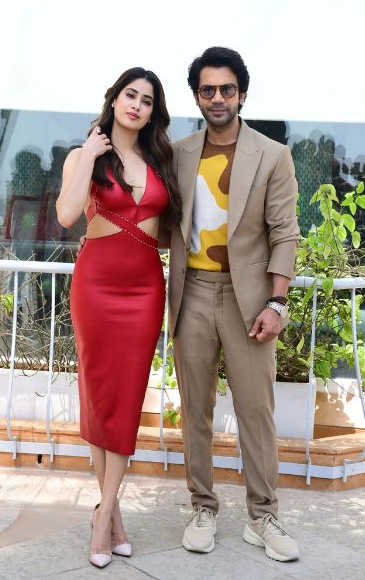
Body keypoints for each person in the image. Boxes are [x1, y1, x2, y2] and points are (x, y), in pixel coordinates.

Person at [166, 46, 301, 562]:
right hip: (192, 294)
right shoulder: (178, 153)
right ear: (197, 96)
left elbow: (285, 233)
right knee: (195, 411)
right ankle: (202, 507)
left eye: (226, 88)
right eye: (208, 89)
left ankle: (263, 516)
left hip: (249, 300)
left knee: (256, 412)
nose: (217, 97)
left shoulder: (272, 155)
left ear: (242, 94)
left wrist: (277, 302)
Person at [56, 67, 182, 568]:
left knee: (127, 399)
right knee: (100, 396)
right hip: (96, 287)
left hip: (145, 289)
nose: (136, 105)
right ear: (114, 99)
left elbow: (168, 230)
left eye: (147, 101)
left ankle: (104, 513)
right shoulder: (82, 156)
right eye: (130, 95)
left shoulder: (160, 161)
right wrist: (89, 154)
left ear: (153, 113)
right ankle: (110, 516)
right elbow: (67, 215)